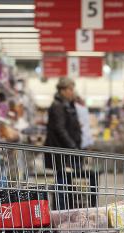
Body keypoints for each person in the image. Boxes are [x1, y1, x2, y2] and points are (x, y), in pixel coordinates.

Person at [44, 77, 84, 210]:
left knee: (66, 184)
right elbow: (60, 129)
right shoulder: (57, 106)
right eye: (70, 89)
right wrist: (72, 146)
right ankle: (61, 215)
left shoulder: (67, 104)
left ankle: (64, 213)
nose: (72, 92)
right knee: (62, 186)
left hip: (66, 151)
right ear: (62, 90)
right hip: (62, 151)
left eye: (73, 89)